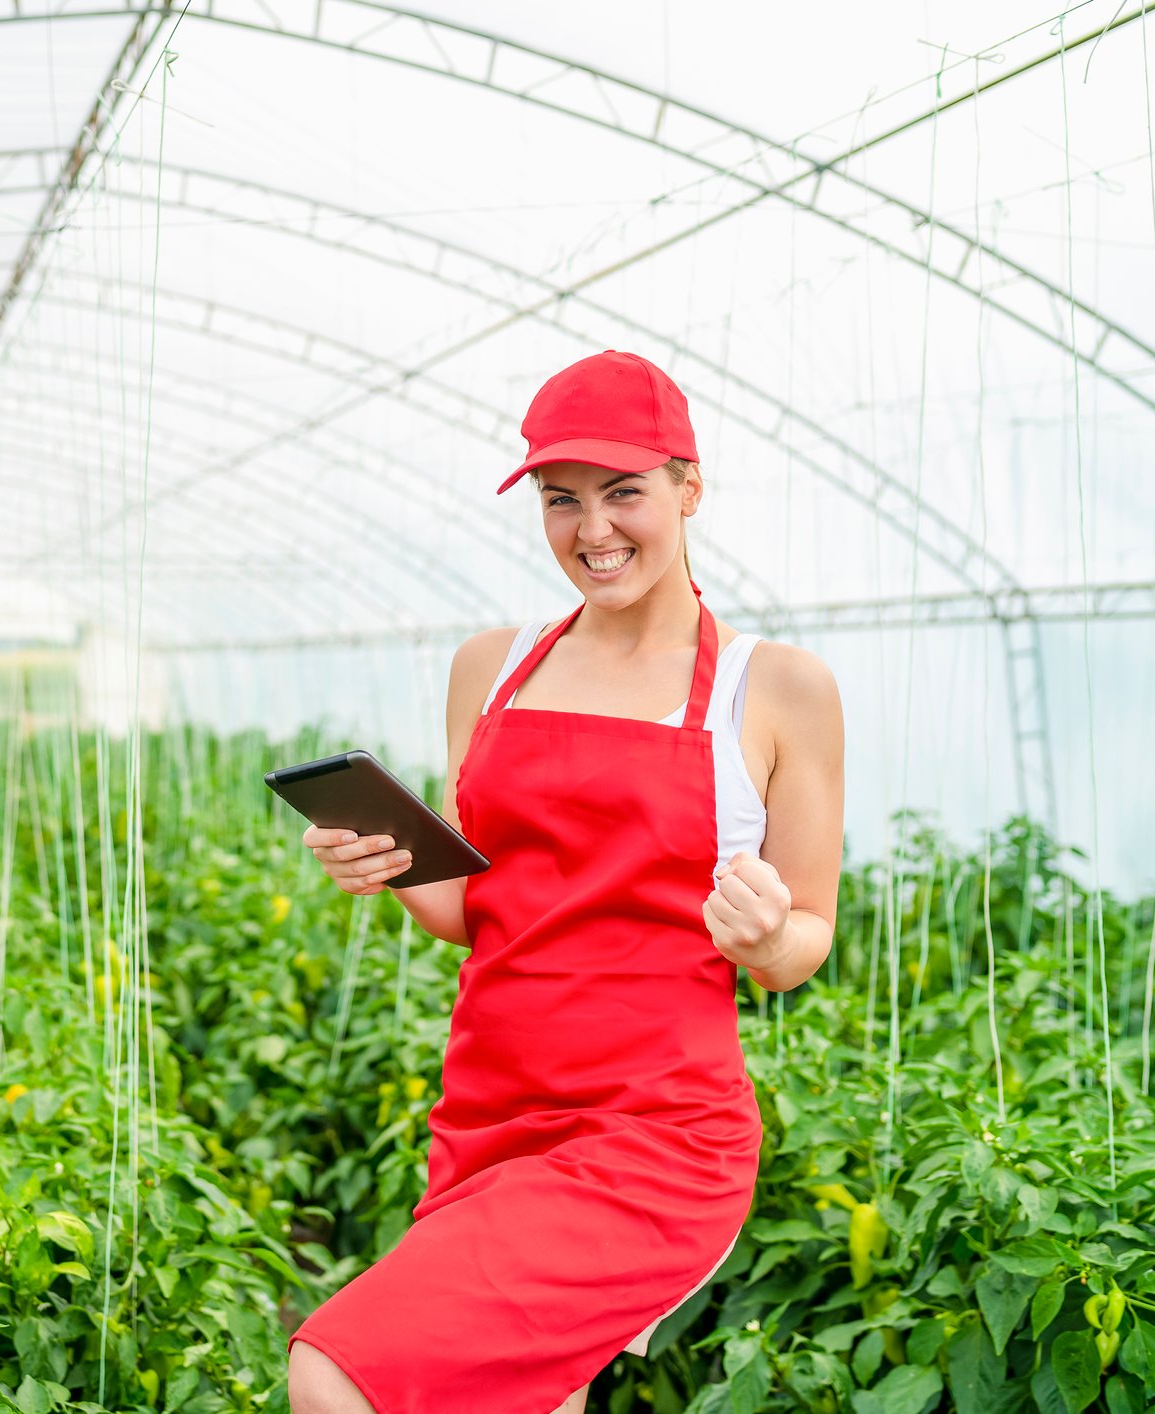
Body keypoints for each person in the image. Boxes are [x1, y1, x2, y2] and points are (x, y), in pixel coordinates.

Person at [284, 349, 846, 1414]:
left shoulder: (772, 690)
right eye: (561, 500)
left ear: (689, 485)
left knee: (335, 1371)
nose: (593, 530)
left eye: (624, 492)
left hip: (654, 1138)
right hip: (489, 1115)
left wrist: (769, 938)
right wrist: (392, 862)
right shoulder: (490, 667)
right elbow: (475, 914)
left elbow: (804, 936)